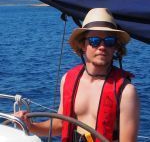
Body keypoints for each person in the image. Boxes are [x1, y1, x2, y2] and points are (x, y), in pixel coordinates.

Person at [15, 8, 139, 142]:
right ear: (83, 45)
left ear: (115, 47)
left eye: (109, 41)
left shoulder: (126, 92)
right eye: (95, 41)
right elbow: (60, 125)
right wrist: (30, 126)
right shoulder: (68, 79)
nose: (102, 46)